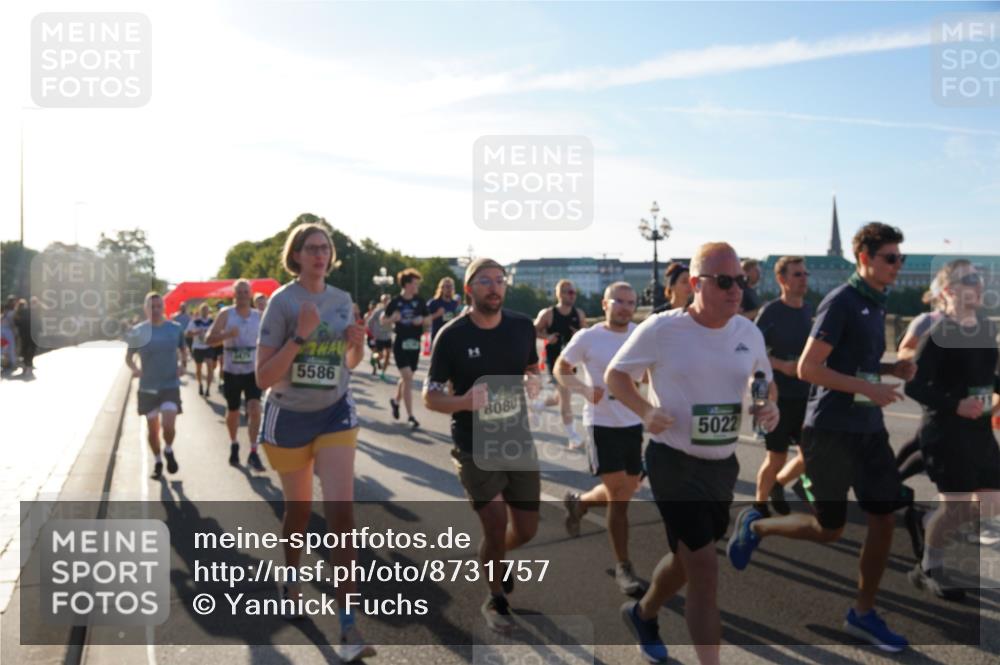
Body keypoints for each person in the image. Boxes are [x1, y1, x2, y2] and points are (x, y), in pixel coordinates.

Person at [727, 222, 915, 653]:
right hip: (830, 429)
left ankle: (862, 613)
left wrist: (889, 370)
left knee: (883, 518)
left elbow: (852, 362)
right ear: (865, 258)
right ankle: (761, 527)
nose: (898, 266)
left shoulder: (874, 300)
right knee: (829, 530)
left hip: (867, 429)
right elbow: (810, 369)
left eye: (900, 258)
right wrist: (870, 387)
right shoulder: (842, 301)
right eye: (890, 258)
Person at [607, 242, 778, 665]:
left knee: (686, 562)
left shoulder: (748, 332)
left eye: (739, 281)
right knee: (704, 569)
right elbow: (616, 376)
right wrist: (646, 412)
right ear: (697, 284)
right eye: (724, 282)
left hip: (722, 466)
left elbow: (763, 382)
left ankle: (643, 612)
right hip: (673, 462)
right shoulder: (663, 329)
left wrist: (767, 404)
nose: (736, 290)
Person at [254, 222, 374, 661]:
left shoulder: (342, 301)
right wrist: (300, 335)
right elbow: (263, 377)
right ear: (297, 256)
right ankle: (292, 577)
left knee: (341, 512)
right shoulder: (282, 303)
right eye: (312, 248)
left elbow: (349, 363)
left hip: (335, 413)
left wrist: (354, 345)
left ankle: (348, 625)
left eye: (326, 248)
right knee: (298, 511)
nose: (321, 254)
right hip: (288, 417)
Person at [423, 258, 542, 634]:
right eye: (485, 281)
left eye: (500, 280)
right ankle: (495, 596)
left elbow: (532, 367)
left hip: (516, 438)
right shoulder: (452, 335)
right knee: (495, 523)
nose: (494, 286)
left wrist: (534, 381)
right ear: (469, 290)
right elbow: (431, 397)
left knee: (525, 530)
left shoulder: (522, 327)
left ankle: (497, 556)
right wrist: (463, 402)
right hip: (474, 443)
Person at [904, 260, 1000, 601]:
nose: (977, 283)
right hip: (946, 433)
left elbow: (986, 376)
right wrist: (955, 405)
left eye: (979, 277)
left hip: (979, 432)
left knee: (992, 503)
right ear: (947, 290)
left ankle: (934, 520)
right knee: (957, 507)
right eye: (969, 279)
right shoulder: (936, 335)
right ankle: (928, 568)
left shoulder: (986, 327)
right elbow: (914, 387)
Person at [556, 282, 645, 595]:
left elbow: (649, 373)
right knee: (619, 495)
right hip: (602, 423)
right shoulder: (588, 337)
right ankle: (624, 566)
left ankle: (579, 504)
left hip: (634, 421)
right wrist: (581, 389)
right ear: (605, 304)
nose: (624, 306)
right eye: (618, 301)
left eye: (630, 302)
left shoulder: (641, 334)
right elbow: (560, 368)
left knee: (628, 487)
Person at [751, 256, 813, 517]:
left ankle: (779, 484)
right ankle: (759, 504)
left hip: (807, 395)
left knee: (811, 453)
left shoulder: (812, 311)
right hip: (776, 395)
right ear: (782, 279)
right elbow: (752, 353)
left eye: (805, 274)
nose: (804, 279)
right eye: (797, 274)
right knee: (776, 456)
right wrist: (779, 365)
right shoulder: (771, 313)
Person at [125, 292, 188, 480]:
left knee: (168, 426)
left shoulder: (175, 329)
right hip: (148, 388)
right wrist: (135, 369)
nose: (156, 310)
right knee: (153, 430)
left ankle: (168, 449)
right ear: (145, 309)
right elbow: (128, 358)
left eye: (159, 306)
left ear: (164, 308)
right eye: (152, 307)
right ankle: (158, 460)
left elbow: (183, 350)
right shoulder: (138, 331)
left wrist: (183, 365)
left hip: (170, 385)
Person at [207, 278, 265, 472]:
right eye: (238, 292)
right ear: (234, 295)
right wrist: (226, 335)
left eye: (245, 292)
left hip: (253, 371)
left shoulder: (259, 316)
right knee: (233, 411)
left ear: (250, 294)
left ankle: (254, 451)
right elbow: (209, 340)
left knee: (255, 408)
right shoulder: (226, 314)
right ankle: (233, 443)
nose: (242, 295)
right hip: (232, 371)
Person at [534, 279, 588, 448]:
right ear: (559, 294)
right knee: (565, 397)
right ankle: (573, 437)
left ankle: (539, 405)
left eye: (573, 292)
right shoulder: (548, 314)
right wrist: (547, 337)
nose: (572, 295)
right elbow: (534, 330)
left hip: (570, 362)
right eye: (568, 292)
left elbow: (586, 334)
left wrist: (579, 333)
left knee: (559, 397)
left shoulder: (578, 314)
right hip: (554, 362)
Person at [382, 268, 428, 429]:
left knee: (406, 378)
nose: (417, 287)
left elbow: (428, 318)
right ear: (407, 284)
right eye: (415, 284)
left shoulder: (420, 301)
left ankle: (396, 401)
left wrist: (422, 320)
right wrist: (392, 319)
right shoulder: (395, 302)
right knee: (408, 377)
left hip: (415, 344)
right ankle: (410, 416)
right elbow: (383, 320)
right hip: (400, 343)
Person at [186, 304, 216, 396]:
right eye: (203, 310)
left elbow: (218, 331)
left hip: (208, 347)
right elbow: (187, 333)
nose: (205, 311)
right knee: (198, 369)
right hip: (198, 348)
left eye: (206, 310)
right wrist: (197, 332)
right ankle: (200, 384)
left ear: (209, 311)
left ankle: (208, 389)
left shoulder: (212, 321)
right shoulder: (195, 322)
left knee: (210, 367)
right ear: (200, 311)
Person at [427, 277, 462, 342]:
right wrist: (437, 314)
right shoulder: (433, 303)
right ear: (441, 288)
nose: (450, 289)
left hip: (452, 337)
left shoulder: (455, 303)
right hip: (437, 337)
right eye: (447, 287)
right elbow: (425, 320)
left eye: (451, 287)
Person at [366, 294, 393, 381]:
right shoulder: (378, 311)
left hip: (388, 336)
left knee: (388, 354)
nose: (387, 302)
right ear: (382, 301)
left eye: (388, 300)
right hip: (379, 336)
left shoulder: (392, 311)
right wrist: (373, 333)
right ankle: (373, 360)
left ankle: (383, 373)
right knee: (380, 355)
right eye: (385, 300)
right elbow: (369, 322)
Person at [173, 302, 192, 370]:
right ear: (180, 308)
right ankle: (181, 362)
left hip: (187, 335)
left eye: (184, 307)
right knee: (180, 349)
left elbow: (191, 325)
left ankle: (184, 362)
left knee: (186, 349)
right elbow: (173, 325)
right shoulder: (176, 316)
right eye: (182, 307)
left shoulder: (188, 316)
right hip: (178, 335)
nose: (183, 308)